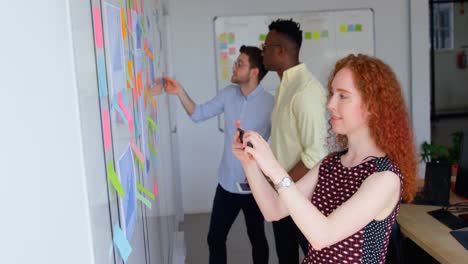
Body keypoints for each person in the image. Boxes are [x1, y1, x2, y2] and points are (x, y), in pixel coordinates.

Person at [233, 54, 417, 263]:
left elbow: (323, 236)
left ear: (372, 106)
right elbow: (273, 210)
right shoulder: (330, 163)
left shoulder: (385, 177)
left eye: (343, 96)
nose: (330, 103)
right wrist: (249, 162)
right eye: (332, 93)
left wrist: (273, 168)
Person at [164, 46, 273, 264]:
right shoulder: (227, 94)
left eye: (240, 64)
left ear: (254, 72)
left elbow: (278, 144)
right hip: (227, 184)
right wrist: (180, 92)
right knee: (215, 238)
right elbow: (198, 114)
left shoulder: (270, 103)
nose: (234, 67)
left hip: (254, 186)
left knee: (258, 240)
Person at [262, 18, 328, 263]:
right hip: (286, 193)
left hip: (303, 197)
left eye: (266, 47)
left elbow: (316, 155)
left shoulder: (305, 91)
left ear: (282, 51)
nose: (263, 52)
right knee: (286, 255)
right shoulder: (284, 87)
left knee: (314, 256)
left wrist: (282, 187)